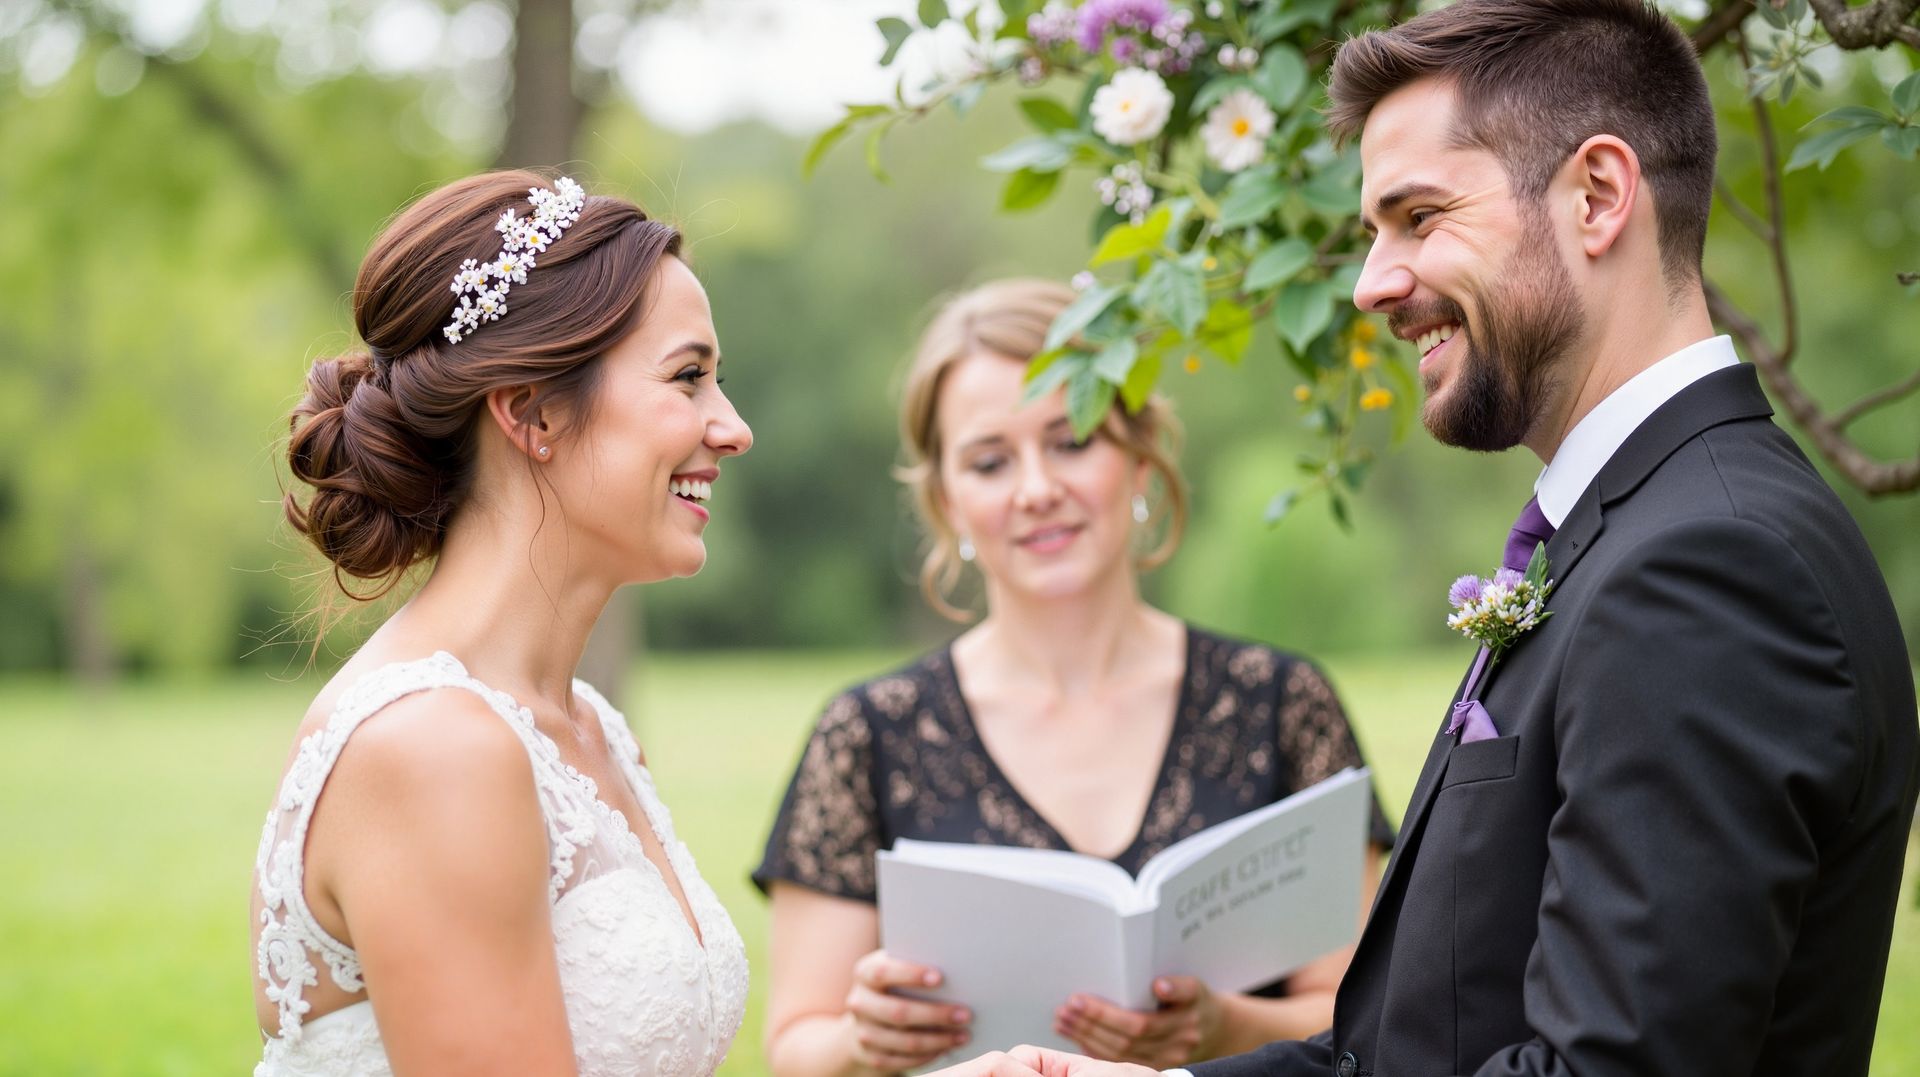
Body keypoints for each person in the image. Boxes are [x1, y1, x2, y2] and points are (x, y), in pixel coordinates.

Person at [979, 3, 1920, 1077]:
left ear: (1599, 196)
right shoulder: (1642, 529)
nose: (1369, 283)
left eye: (1418, 217)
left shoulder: (1708, 567)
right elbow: (1416, 1044)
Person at [753, 279, 1395, 1077]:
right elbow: (795, 1047)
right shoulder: (867, 735)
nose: (1036, 489)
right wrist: (862, 1041)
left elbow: (1370, 1017)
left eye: (1071, 439)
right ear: (947, 499)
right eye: (990, 460)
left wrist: (1221, 1027)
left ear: (1139, 455)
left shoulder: (1282, 704)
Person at [251, 170, 754, 1076]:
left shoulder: (588, 727)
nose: (732, 427)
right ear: (531, 412)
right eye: (690, 378)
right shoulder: (435, 747)